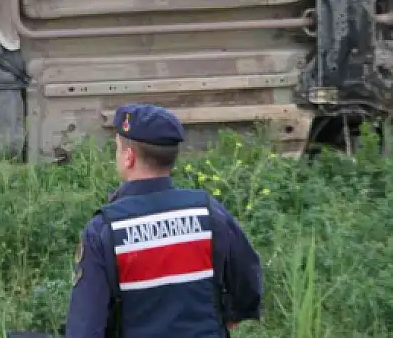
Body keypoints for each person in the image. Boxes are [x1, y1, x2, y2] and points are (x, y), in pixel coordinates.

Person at [64, 103, 263, 338]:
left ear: (129, 157)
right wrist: (230, 314)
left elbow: (86, 328)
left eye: (117, 148)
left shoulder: (105, 229)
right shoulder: (208, 211)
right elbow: (248, 281)